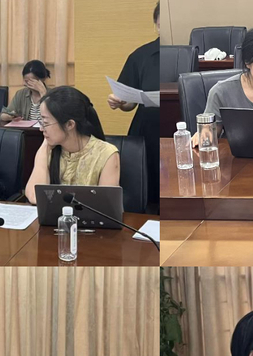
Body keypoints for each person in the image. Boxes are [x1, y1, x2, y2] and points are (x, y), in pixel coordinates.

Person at [25, 86, 120, 205]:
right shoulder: (49, 149)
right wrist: (45, 147)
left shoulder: (106, 154)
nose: (41, 128)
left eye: (45, 123)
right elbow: (34, 197)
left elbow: (105, 206)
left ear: (70, 124)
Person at [108, 2, 159, 208]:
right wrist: (119, 101)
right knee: (147, 192)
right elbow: (129, 102)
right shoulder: (140, 56)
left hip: (178, 125)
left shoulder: (186, 52)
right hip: (147, 130)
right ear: (156, 24)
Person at [0, 60, 51, 125]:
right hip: (27, 130)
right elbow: (2, 116)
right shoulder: (21, 94)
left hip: (47, 130)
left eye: (30, 81)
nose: (25, 84)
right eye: (25, 81)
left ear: (42, 79)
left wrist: (43, 93)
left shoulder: (54, 94)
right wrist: (10, 117)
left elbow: (55, 118)